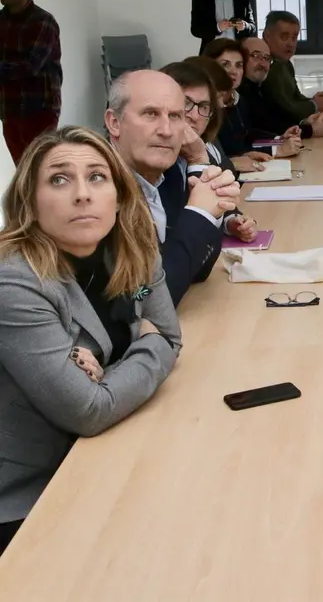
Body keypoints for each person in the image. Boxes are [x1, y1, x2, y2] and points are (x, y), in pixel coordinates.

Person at [0, 127, 181, 556]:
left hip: (101, 455)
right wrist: (149, 345)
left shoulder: (134, 250)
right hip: (27, 493)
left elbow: (171, 334)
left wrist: (109, 374)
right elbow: (88, 410)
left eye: (97, 177)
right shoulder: (16, 283)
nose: (82, 195)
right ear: (30, 204)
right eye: (59, 179)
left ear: (118, 197)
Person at [104, 70, 241, 305]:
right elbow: (139, 297)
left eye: (176, 116)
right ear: (114, 123)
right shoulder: (98, 190)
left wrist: (208, 202)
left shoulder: (165, 175)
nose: (166, 131)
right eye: (150, 114)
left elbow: (197, 270)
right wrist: (200, 215)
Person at [164, 60, 258, 245]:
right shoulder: (157, 162)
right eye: (186, 103)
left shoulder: (205, 144)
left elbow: (216, 202)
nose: (194, 115)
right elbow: (194, 236)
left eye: (204, 107)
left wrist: (231, 222)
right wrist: (197, 159)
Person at [0, 0, 62, 163]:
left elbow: (29, 66)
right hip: (9, 110)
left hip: (39, 110)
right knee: (23, 169)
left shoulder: (43, 21)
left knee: (42, 167)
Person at [202, 38, 302, 161]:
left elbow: (247, 137)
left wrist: (278, 140)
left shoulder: (239, 100)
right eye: (225, 64)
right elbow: (228, 152)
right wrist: (276, 149)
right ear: (210, 68)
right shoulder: (205, 106)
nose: (233, 72)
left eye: (239, 65)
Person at [237, 37, 323, 140]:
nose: (263, 64)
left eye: (267, 58)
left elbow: (274, 123)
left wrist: (304, 123)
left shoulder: (257, 88)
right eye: (256, 56)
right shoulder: (237, 94)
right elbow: (254, 136)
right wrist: (311, 130)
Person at [261, 11, 323, 127]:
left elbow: (296, 97)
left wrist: (314, 101)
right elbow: (286, 111)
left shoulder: (286, 63)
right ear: (267, 36)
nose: (291, 44)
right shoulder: (264, 67)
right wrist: (314, 105)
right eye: (284, 37)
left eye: (294, 37)